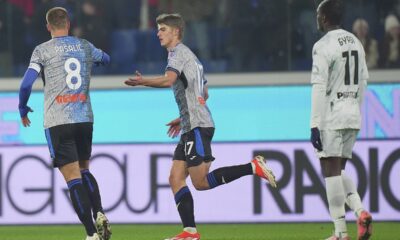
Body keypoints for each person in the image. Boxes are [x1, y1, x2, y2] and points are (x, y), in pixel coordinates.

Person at [124, 13, 277, 240]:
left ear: (176, 32)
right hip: (191, 124)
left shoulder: (177, 54)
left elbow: (168, 80)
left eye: (163, 29)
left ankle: (252, 167)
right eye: (158, 29)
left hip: (197, 126)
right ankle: (190, 231)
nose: (158, 33)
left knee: (201, 182)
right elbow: (204, 92)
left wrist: (142, 81)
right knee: (175, 178)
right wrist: (183, 115)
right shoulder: (191, 57)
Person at [18, 7, 111, 240]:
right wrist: (93, 61)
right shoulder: (84, 46)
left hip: (58, 121)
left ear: (48, 26)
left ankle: (91, 234)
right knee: (84, 169)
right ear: (68, 24)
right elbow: (106, 59)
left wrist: (22, 107)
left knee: (72, 179)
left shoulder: (42, 51)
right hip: (84, 118)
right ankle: (99, 211)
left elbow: (26, 84)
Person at [310, 1, 372, 239]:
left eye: (318, 14)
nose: (317, 18)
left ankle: (341, 232)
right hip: (352, 113)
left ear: (324, 18)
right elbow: (364, 81)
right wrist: (357, 109)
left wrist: (314, 123)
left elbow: (319, 85)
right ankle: (360, 211)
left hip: (332, 114)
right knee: (338, 170)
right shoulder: (356, 41)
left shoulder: (322, 45)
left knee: (330, 171)